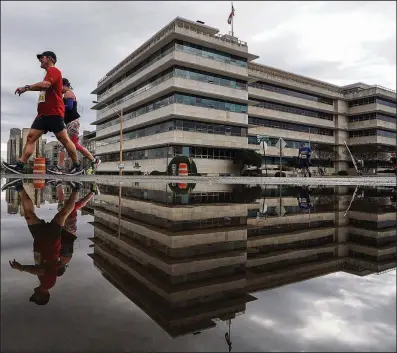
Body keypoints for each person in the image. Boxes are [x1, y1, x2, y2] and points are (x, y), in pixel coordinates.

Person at [1, 51, 82, 175]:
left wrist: (26, 87)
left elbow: (45, 85)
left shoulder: (55, 71)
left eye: (41, 58)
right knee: (30, 137)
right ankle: (19, 165)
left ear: (49, 58)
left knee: (64, 139)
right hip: (43, 115)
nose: (40, 60)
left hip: (54, 113)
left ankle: (77, 166)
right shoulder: (48, 74)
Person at [4, 179, 80, 305]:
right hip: (50, 241)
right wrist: (21, 268)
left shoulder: (44, 282)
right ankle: (77, 189)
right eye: (35, 296)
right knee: (63, 214)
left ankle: (18, 187)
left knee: (29, 214)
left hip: (39, 239)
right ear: (41, 296)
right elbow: (41, 270)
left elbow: (43, 266)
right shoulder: (48, 283)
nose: (33, 293)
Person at [49, 78, 100, 174]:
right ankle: (94, 160)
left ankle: (59, 168)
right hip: (72, 122)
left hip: (72, 122)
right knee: (75, 145)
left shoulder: (68, 93)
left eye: (60, 86)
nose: (59, 89)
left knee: (62, 144)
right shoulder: (66, 94)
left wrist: (58, 106)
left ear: (65, 85)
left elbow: (70, 106)